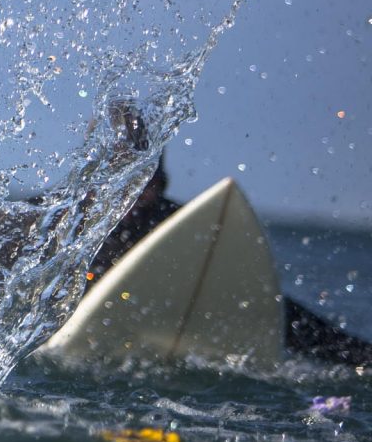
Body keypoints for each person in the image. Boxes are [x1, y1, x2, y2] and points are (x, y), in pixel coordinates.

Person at [89, 152, 372, 367]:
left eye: (145, 179)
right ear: (99, 181)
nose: (135, 193)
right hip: (97, 323)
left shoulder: (179, 225)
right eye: (123, 177)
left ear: (161, 182)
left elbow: (249, 299)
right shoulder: (74, 227)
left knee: (277, 310)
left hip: (169, 314)